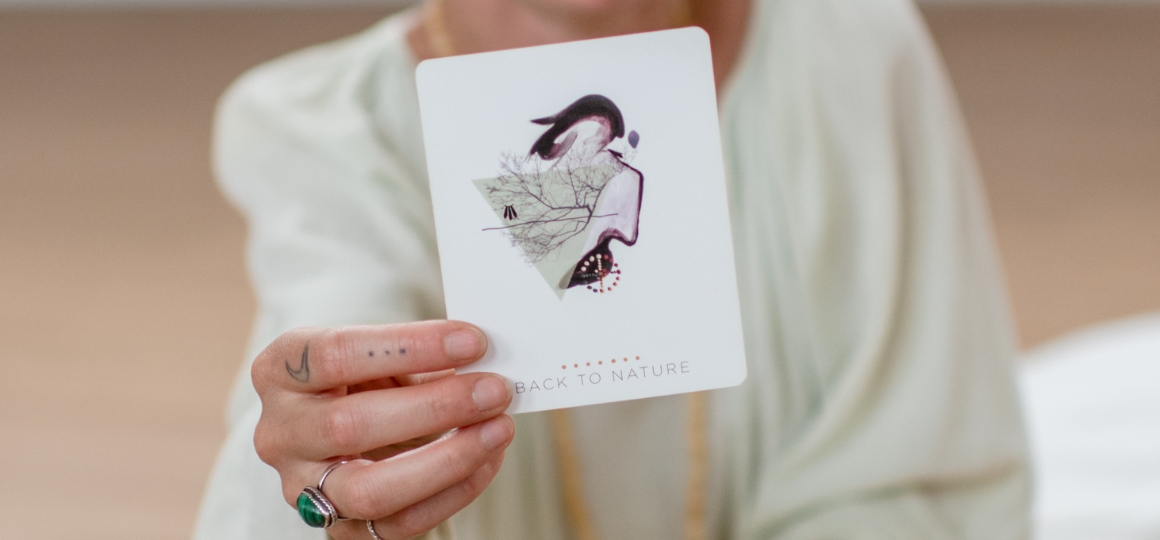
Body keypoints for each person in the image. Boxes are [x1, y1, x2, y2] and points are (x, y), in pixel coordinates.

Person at [193, 0, 1032, 539]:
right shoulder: (328, 129)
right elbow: (317, 447)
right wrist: (328, 468)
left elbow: (910, 465)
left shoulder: (848, 49)